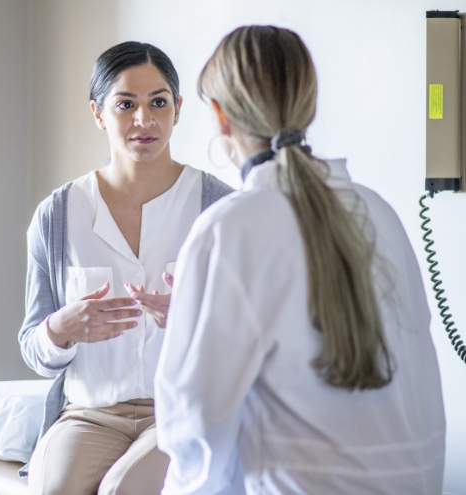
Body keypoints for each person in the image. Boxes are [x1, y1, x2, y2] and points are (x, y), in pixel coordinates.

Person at [154, 26, 446, 495]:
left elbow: (194, 430)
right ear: (307, 106)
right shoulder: (378, 213)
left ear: (218, 116)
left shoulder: (229, 229)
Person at [18, 41, 233, 495]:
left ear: (177, 108)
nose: (144, 120)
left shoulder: (219, 207)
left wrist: (196, 323)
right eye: (125, 104)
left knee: (121, 489)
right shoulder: (57, 216)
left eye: (158, 102)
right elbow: (33, 348)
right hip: (88, 414)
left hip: (181, 409)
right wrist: (60, 327)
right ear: (98, 113)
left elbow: (253, 338)